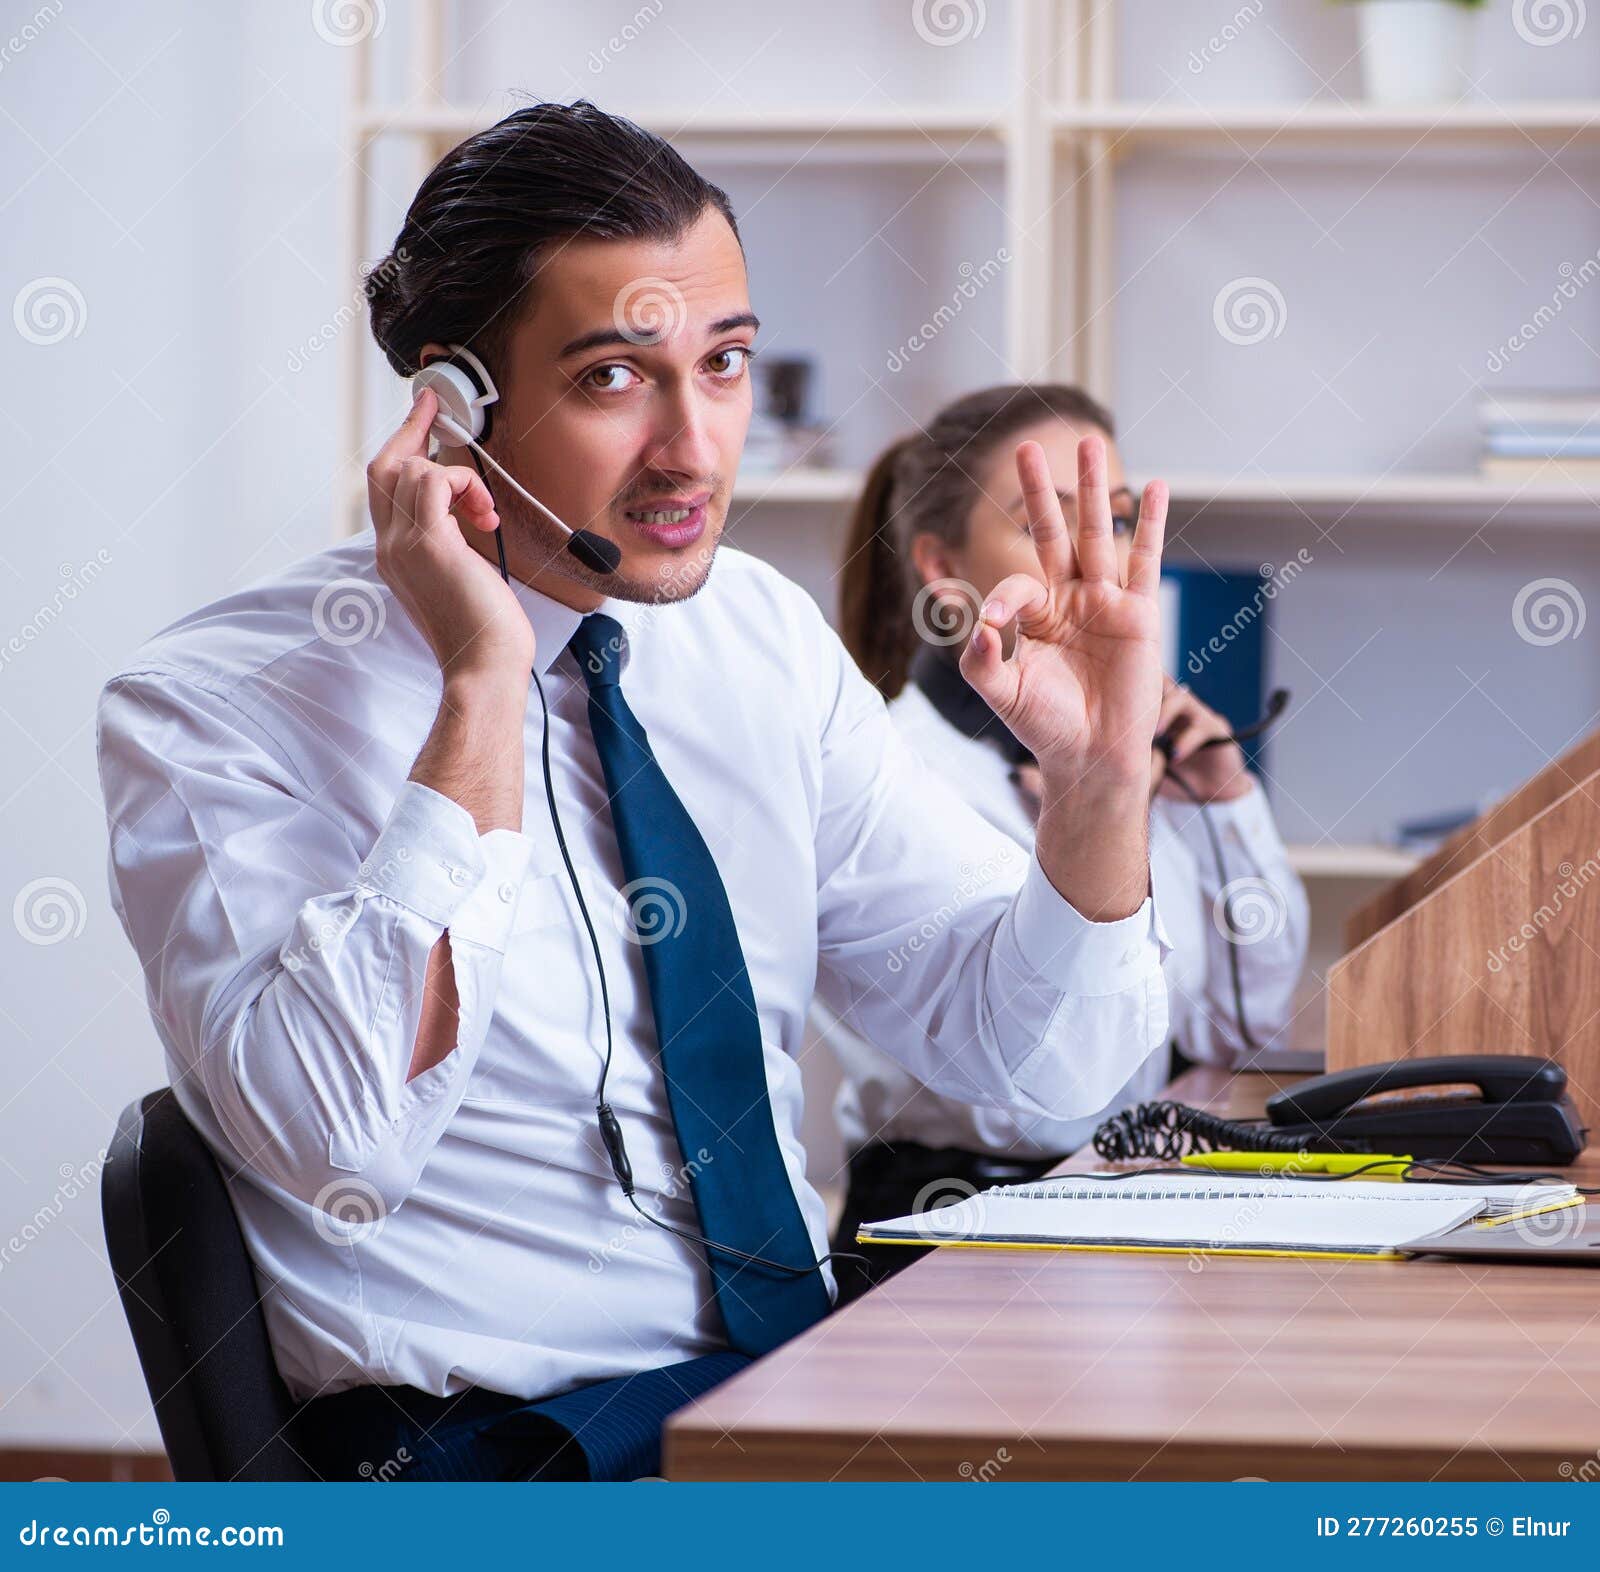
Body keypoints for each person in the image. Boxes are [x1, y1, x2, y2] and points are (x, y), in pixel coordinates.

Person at [97, 103, 1174, 1482]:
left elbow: (1040, 1082)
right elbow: (337, 1135)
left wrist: (1093, 786)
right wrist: (482, 686)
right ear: (451, 407)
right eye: (615, 379)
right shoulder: (213, 702)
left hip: (788, 1395)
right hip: (494, 1454)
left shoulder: (759, 640)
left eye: (722, 365)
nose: (693, 448)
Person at [825, 384, 1309, 1299]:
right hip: (948, 1236)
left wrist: (1222, 802)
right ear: (942, 566)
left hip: (1110, 1203)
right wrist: (1095, 793)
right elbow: (1032, 1092)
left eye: (1114, 520)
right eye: (1042, 521)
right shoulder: (884, 764)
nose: (1093, 554)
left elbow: (1241, 1025)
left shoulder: (1135, 759)